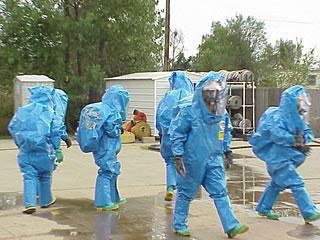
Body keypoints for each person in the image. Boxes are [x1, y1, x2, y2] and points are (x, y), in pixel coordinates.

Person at [169, 72, 249, 238]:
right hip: (192, 160)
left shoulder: (221, 114)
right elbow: (177, 133)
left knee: (220, 191)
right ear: (203, 92)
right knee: (186, 192)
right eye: (210, 92)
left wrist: (227, 150)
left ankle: (231, 225)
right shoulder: (190, 111)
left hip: (214, 158)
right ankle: (179, 224)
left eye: (217, 92)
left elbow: (225, 132)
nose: (213, 96)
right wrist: (177, 155)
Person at [249, 85, 320, 222]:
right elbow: (278, 135)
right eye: (299, 100)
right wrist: (294, 141)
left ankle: (264, 207)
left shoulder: (298, 118)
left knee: (276, 185)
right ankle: (309, 212)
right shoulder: (277, 118)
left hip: (288, 158)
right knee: (296, 183)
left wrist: (303, 140)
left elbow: (307, 132)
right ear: (291, 101)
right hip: (278, 159)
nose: (301, 103)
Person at [8, 86, 69, 214]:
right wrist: (57, 148)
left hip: (26, 151)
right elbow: (55, 131)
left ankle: (29, 203)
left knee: (29, 176)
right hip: (45, 151)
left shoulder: (22, 111)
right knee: (45, 176)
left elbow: (13, 127)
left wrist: (20, 143)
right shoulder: (50, 112)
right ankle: (46, 200)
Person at [77, 85, 129, 211]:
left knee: (113, 169)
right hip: (106, 146)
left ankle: (113, 196)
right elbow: (111, 129)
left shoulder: (107, 109)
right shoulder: (109, 111)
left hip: (109, 146)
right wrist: (119, 129)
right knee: (107, 171)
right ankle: (103, 201)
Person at [156, 71, 194, 201]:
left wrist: (161, 130)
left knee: (170, 161)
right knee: (184, 161)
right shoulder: (190, 98)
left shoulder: (167, 98)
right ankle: (183, 189)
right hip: (185, 137)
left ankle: (170, 187)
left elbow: (159, 116)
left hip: (167, 136)